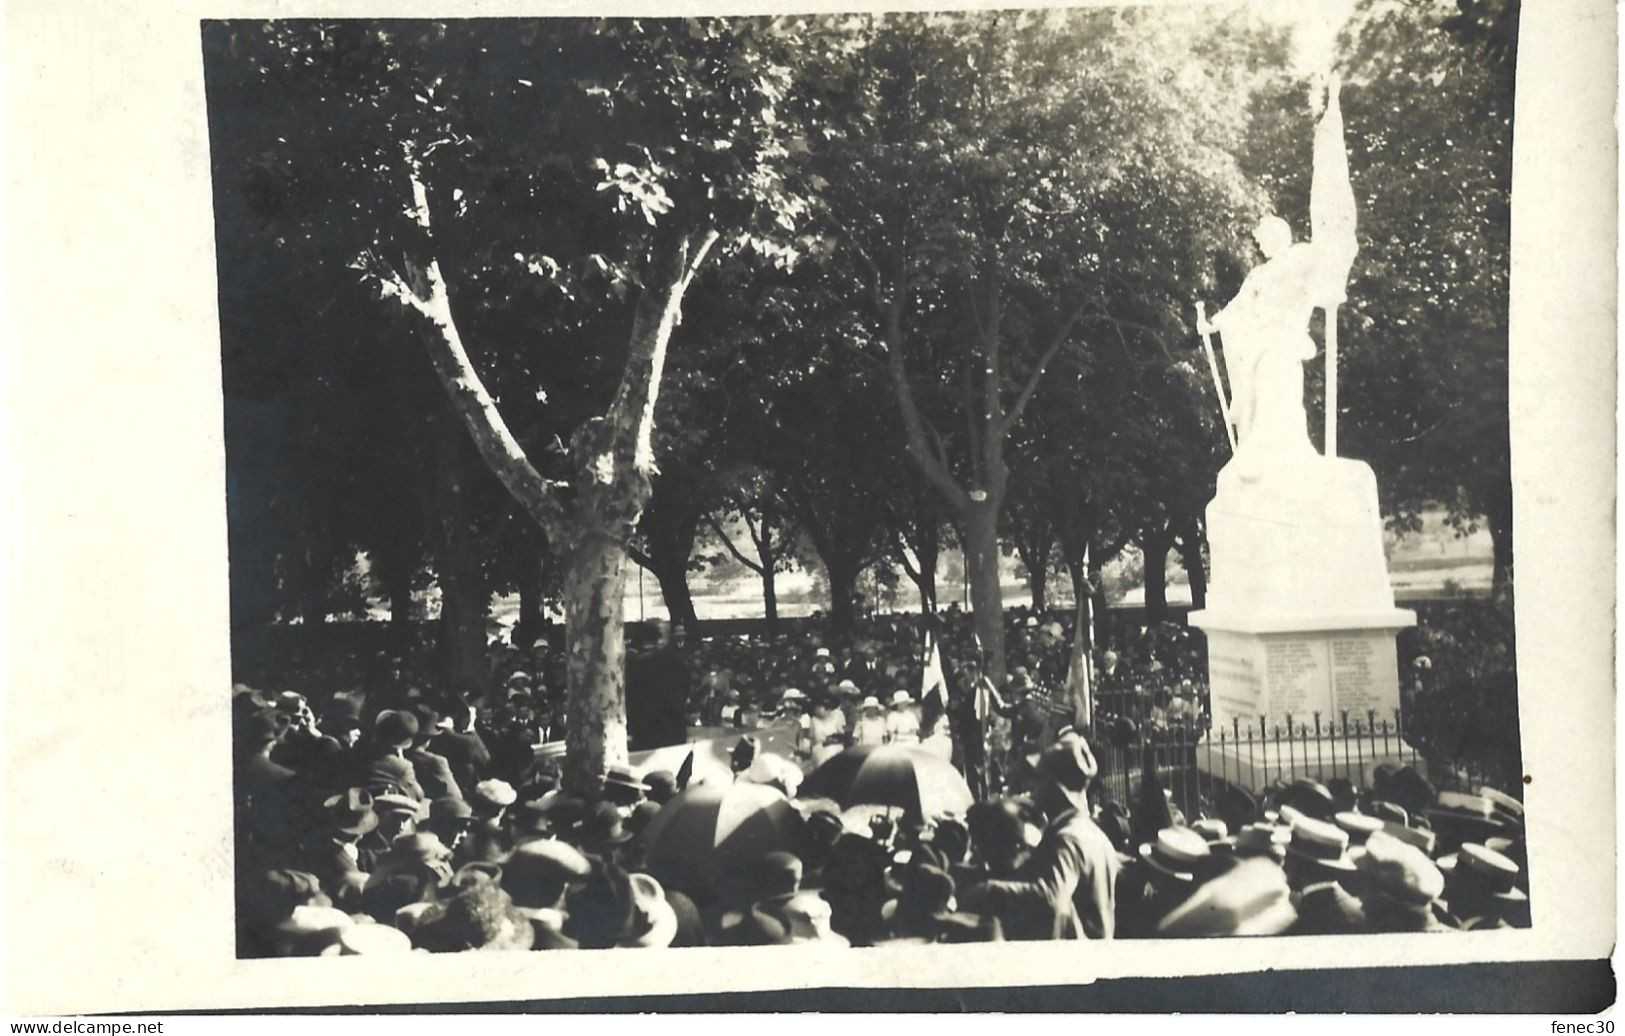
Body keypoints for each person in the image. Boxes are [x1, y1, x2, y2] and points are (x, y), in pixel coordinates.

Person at [1198, 75, 1356, 477]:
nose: (1263, 243)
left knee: (1280, 391)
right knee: (1251, 396)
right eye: (1260, 239)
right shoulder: (1258, 275)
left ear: (1280, 235)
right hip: (1256, 343)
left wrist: (1330, 279)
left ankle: (1281, 452)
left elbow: (1326, 262)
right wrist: (1211, 325)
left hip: (1284, 339)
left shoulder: (1301, 257)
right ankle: (1255, 451)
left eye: (1266, 236)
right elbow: (1236, 308)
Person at [961, 731, 1120, 939]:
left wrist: (987, 891)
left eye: (1040, 781)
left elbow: (1051, 896)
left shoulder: (1068, 839)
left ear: (1056, 787)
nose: (1034, 790)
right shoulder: (1092, 833)